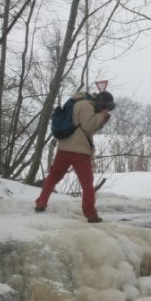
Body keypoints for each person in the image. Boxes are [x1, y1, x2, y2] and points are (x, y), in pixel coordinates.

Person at [34, 90, 116, 222]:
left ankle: (41, 203)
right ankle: (90, 214)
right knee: (87, 183)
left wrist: (101, 119)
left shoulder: (75, 102)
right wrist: (101, 116)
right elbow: (88, 126)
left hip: (64, 148)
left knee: (54, 176)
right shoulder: (86, 105)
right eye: (105, 106)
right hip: (79, 151)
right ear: (102, 102)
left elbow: (85, 129)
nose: (105, 108)